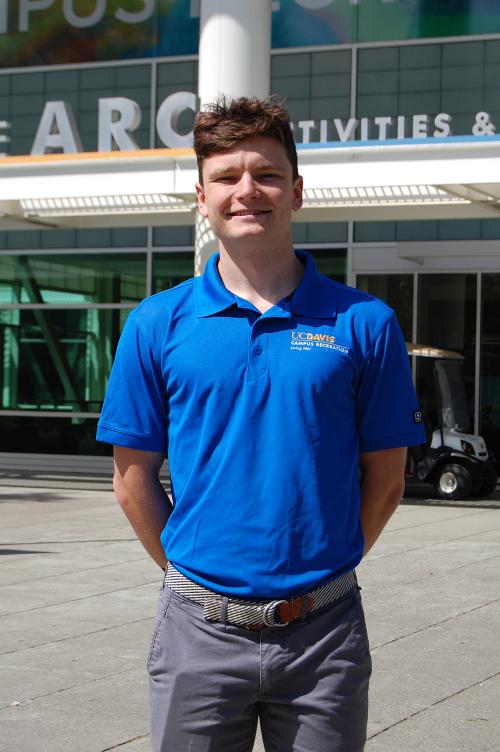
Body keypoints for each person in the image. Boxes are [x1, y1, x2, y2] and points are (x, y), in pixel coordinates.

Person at [97, 97, 426, 752]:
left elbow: (386, 481)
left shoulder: (364, 324)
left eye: (268, 174)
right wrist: (197, 575)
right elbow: (133, 482)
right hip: (198, 633)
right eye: (226, 177)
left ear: (297, 191)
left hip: (324, 638)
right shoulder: (156, 325)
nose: (248, 190)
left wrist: (319, 572)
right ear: (202, 196)